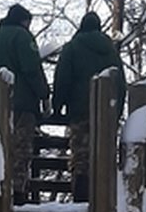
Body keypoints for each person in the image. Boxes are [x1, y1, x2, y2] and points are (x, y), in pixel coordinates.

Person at [0, 4, 50, 204]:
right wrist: (44, 93)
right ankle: (17, 195)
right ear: (23, 21)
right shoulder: (22, 37)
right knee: (20, 149)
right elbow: (31, 68)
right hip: (22, 104)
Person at [52, 11, 126, 201]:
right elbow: (121, 83)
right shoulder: (111, 50)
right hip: (107, 113)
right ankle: (103, 205)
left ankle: (81, 204)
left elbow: (62, 79)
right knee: (104, 158)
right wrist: (116, 112)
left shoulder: (72, 48)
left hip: (80, 111)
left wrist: (58, 107)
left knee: (81, 159)